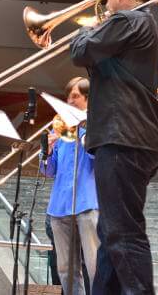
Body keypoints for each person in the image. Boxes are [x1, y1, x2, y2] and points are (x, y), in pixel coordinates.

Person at [70, 0, 158, 294]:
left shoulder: (128, 19)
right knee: (112, 231)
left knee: (123, 231)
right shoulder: (146, 26)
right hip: (135, 136)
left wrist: (86, 29)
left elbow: (81, 50)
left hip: (123, 134)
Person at [40, 76, 100, 295]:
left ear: (88, 99)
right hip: (58, 207)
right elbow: (48, 171)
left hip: (86, 204)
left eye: (75, 96)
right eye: (68, 96)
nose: (70, 100)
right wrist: (46, 150)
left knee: (95, 267)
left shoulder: (95, 129)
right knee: (65, 269)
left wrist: (84, 127)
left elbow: (97, 158)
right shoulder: (60, 129)